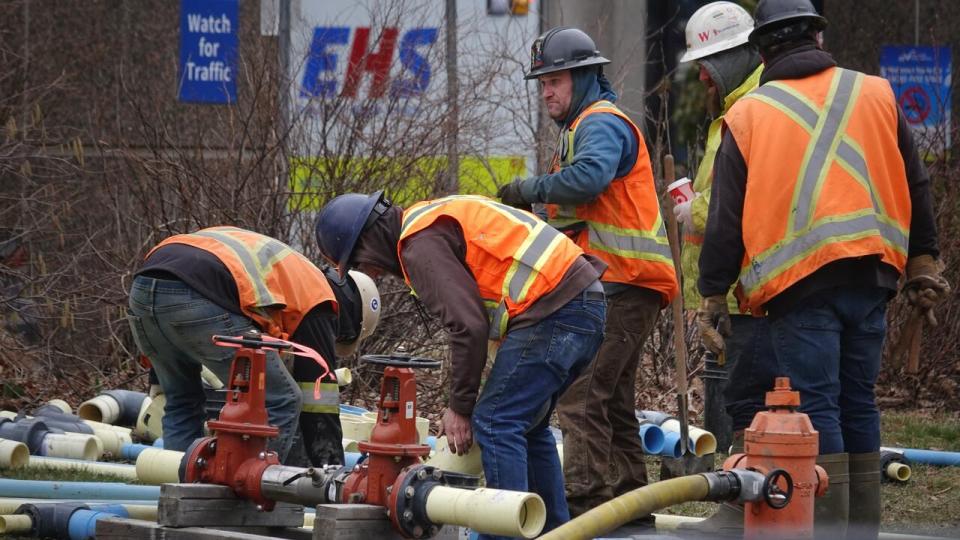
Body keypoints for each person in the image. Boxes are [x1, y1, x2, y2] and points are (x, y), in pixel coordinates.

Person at [696, 1, 948, 538]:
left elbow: (724, 220)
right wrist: (923, 258)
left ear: (761, 51)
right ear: (817, 37)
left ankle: (830, 530)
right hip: (874, 276)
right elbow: (915, 182)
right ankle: (863, 529)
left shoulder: (749, 114)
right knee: (859, 401)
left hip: (799, 285)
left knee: (819, 405)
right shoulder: (876, 93)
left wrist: (712, 295)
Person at [314, 192, 606, 538]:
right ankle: (555, 532)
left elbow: (468, 327)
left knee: (497, 421)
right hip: (583, 303)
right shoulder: (426, 221)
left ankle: (505, 532)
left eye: (361, 261)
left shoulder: (418, 245)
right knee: (528, 425)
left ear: (370, 237)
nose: (370, 272)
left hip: (556, 308)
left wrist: (460, 407)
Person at [496, 26, 678, 519]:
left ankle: (589, 509)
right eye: (541, 83)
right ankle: (630, 506)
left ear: (583, 77)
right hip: (626, 284)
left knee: (580, 398)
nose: (546, 92)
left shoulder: (598, 123)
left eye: (554, 80)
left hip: (622, 282)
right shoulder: (586, 126)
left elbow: (590, 178)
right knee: (612, 401)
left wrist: (526, 188)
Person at [128, 226, 379, 467]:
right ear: (349, 323)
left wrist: (158, 372)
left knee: (182, 399)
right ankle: (252, 492)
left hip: (145, 284)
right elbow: (318, 400)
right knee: (280, 399)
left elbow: (178, 280)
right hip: (197, 293)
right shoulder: (318, 298)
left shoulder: (289, 277)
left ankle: (178, 489)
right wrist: (330, 472)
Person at [674, 3, 773, 534]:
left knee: (749, 398)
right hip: (734, 288)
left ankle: (745, 508)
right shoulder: (732, 112)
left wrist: (699, 208)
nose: (703, 77)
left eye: (709, 63)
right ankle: (752, 502)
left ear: (737, 56)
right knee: (746, 394)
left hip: (753, 287)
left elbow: (746, 198)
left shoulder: (756, 106)